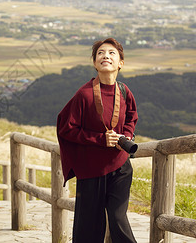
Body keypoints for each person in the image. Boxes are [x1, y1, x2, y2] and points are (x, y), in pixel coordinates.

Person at [56, 38, 138, 243]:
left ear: (120, 63)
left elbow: (131, 117)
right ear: (94, 63)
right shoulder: (84, 95)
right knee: (89, 227)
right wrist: (100, 139)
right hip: (91, 170)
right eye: (100, 53)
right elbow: (66, 128)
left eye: (112, 53)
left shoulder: (124, 91)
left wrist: (126, 134)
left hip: (120, 166)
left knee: (118, 218)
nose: (106, 56)